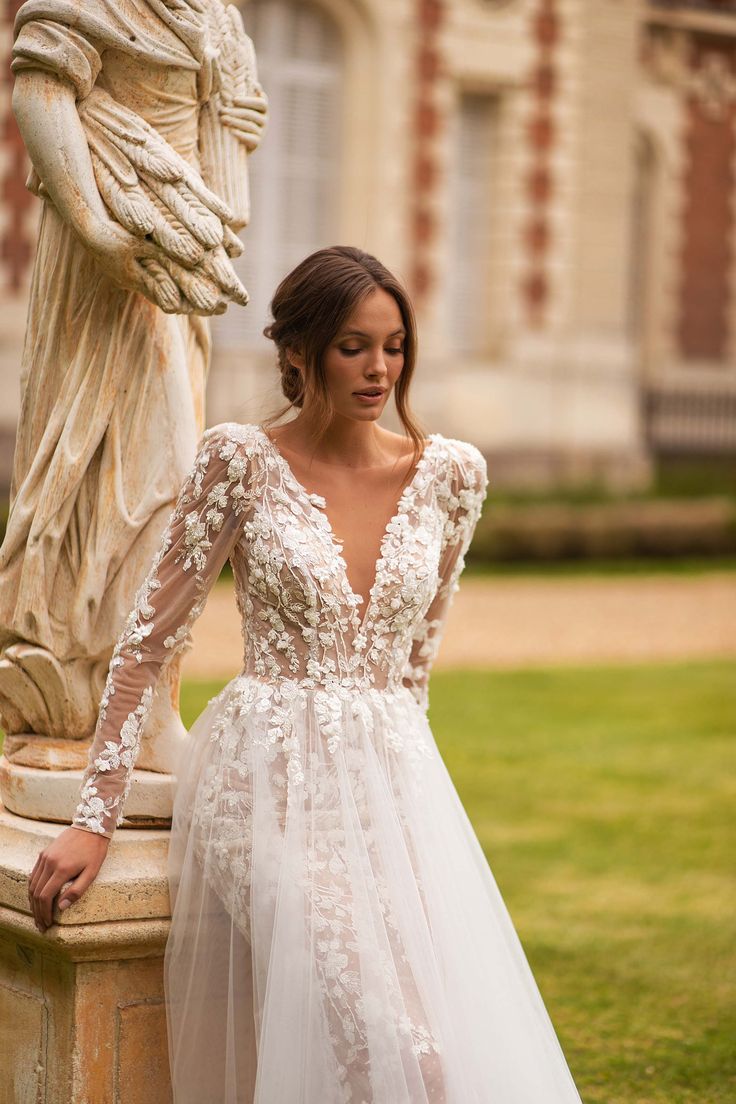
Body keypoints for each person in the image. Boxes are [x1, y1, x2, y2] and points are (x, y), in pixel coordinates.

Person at [28, 246, 584, 1103]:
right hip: (262, 788)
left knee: (438, 1029)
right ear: (298, 353)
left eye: (394, 345)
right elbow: (145, 644)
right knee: (400, 1046)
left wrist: (406, 816)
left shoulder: (452, 477)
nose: (379, 368)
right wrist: (93, 820)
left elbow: (412, 673)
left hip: (390, 785)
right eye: (353, 345)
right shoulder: (239, 462)